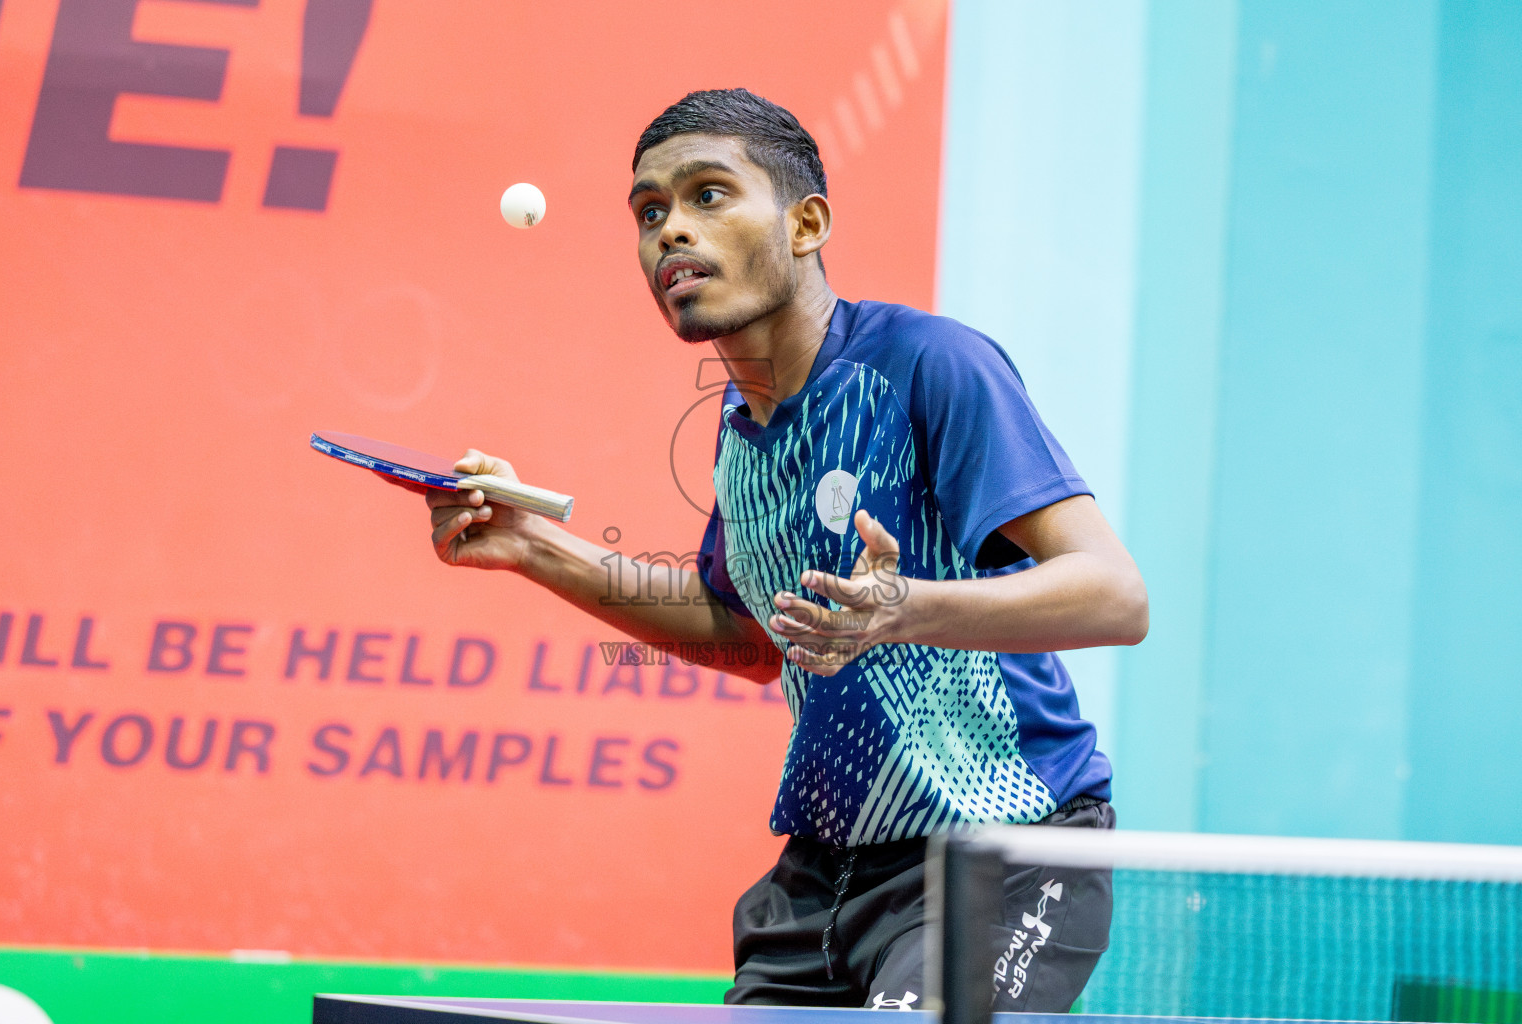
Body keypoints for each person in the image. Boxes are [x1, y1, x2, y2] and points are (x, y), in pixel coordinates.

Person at [417, 88, 1147, 1010]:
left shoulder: (929, 364)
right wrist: (537, 549)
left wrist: (905, 609)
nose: (671, 232)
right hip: (822, 886)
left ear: (807, 223)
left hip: (998, 857)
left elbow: (1116, 596)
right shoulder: (740, 432)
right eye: (651, 213)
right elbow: (755, 640)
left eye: (708, 195)